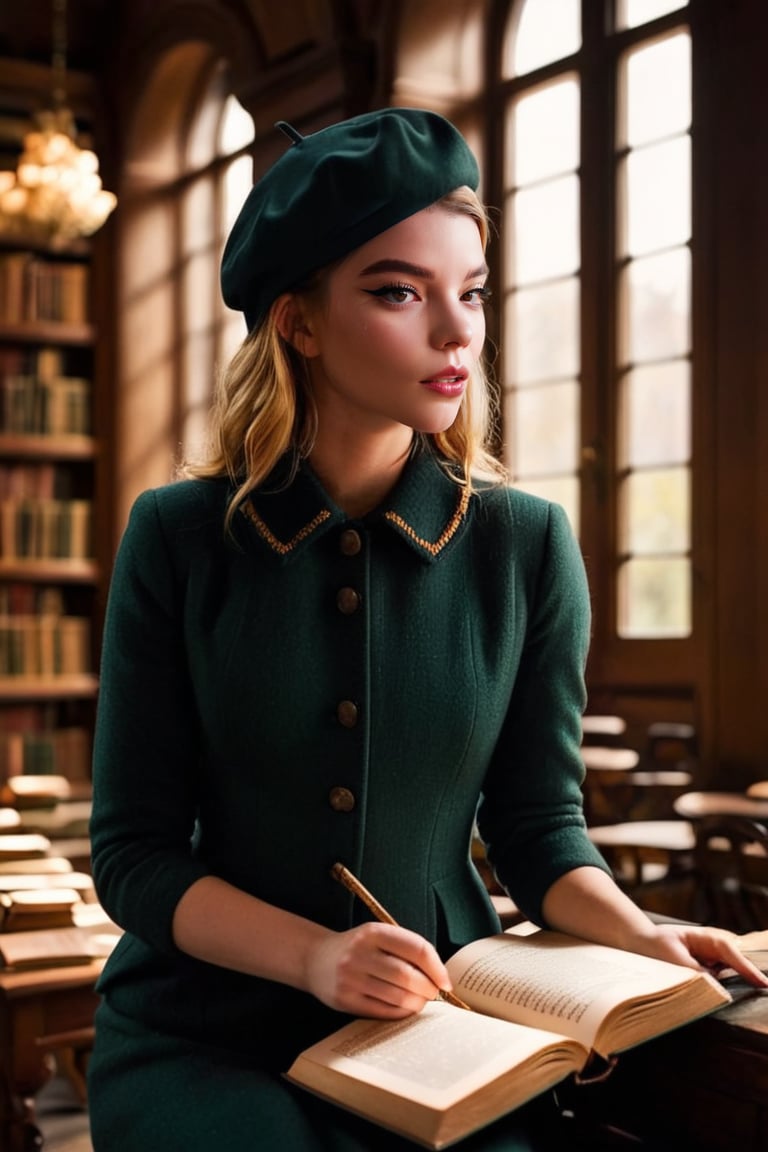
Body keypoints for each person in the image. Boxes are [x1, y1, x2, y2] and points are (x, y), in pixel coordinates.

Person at [86, 107, 767, 1152]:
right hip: (203, 1033)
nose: (457, 331)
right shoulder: (177, 538)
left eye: (472, 291)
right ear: (297, 321)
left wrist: (645, 934)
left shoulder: (528, 546)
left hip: (440, 1030)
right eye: (399, 291)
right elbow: (133, 856)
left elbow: (540, 832)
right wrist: (316, 958)